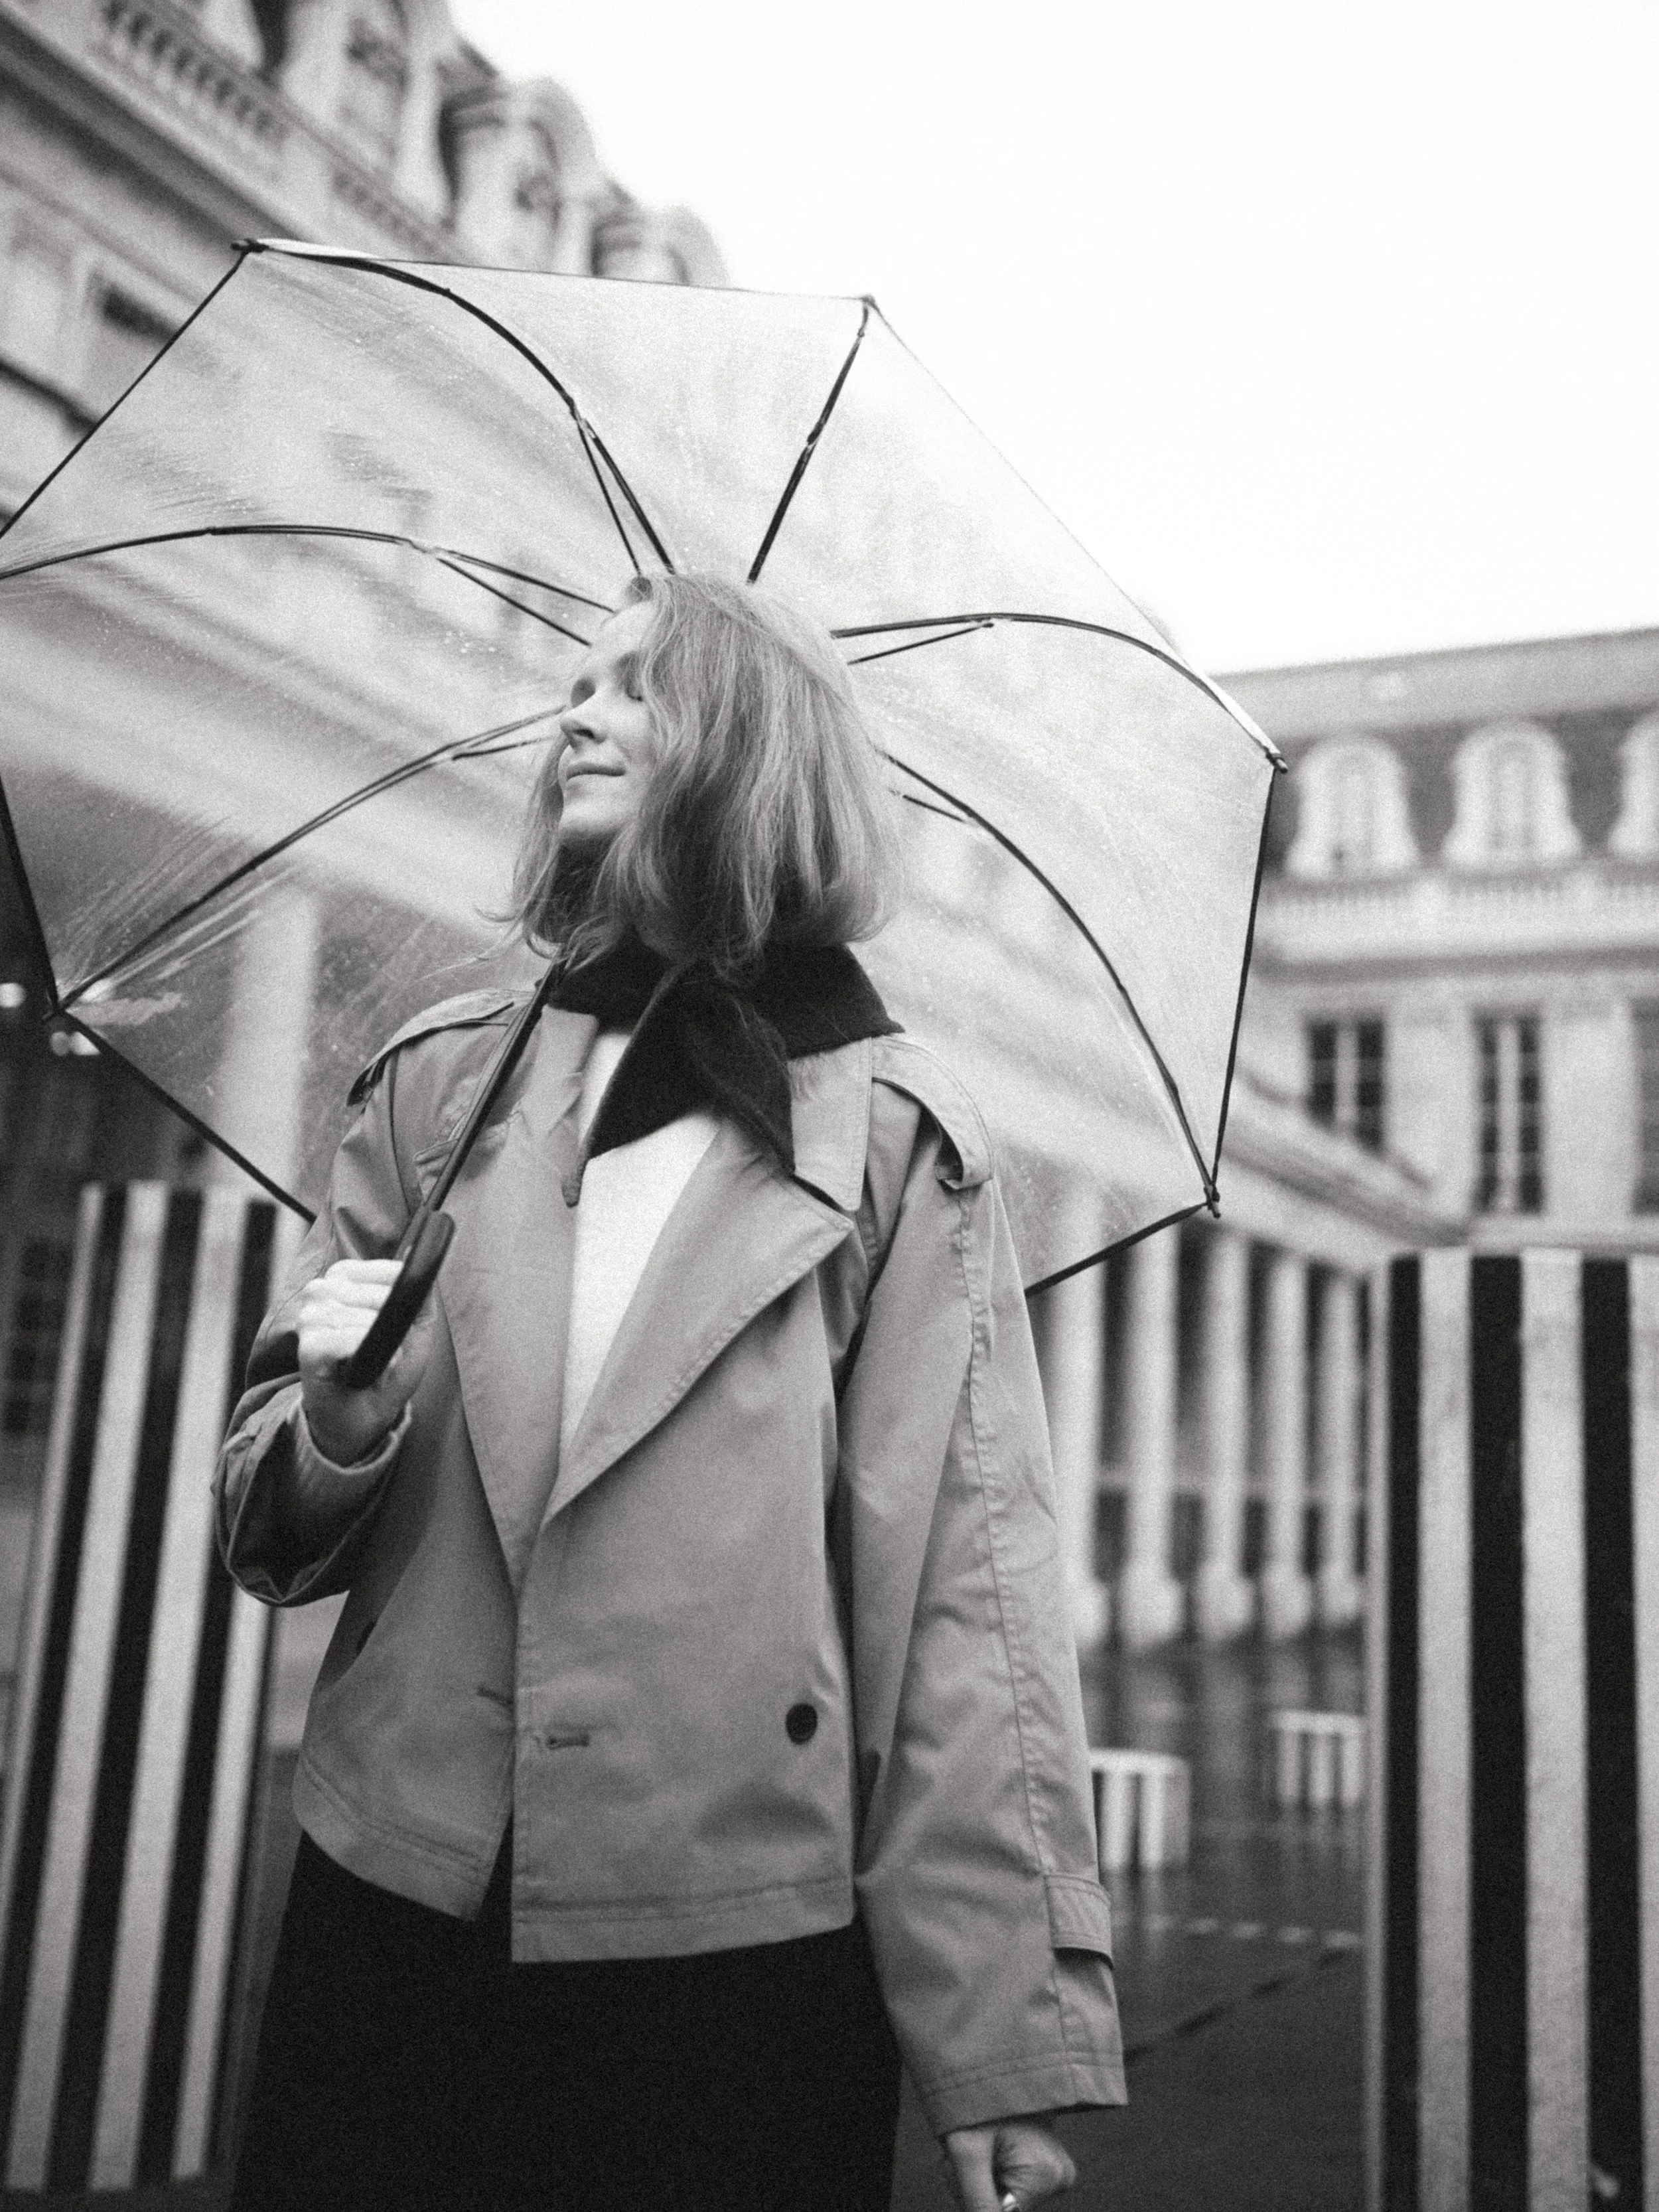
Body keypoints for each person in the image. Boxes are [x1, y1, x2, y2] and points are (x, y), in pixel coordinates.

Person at [216, 571, 1125, 2212]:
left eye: (633, 683)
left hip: (736, 1949)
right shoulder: (440, 1078)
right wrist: (340, 1429)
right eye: (574, 681)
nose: (577, 708)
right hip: (399, 1892)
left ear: (747, 742)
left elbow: (961, 1610)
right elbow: (266, 1522)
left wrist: (997, 2040)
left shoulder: (903, 1138)